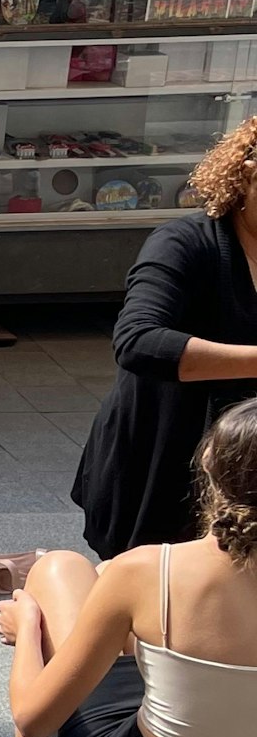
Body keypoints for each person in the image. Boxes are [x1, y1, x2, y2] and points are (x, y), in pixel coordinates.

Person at [0, 400, 257, 737]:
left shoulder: (148, 570)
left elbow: (34, 718)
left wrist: (27, 630)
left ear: (208, 464)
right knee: (115, 596)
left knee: (60, 568)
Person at [75, 121, 257, 560]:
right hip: (161, 460)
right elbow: (138, 341)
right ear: (247, 173)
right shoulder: (183, 242)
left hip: (243, 469)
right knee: (153, 582)